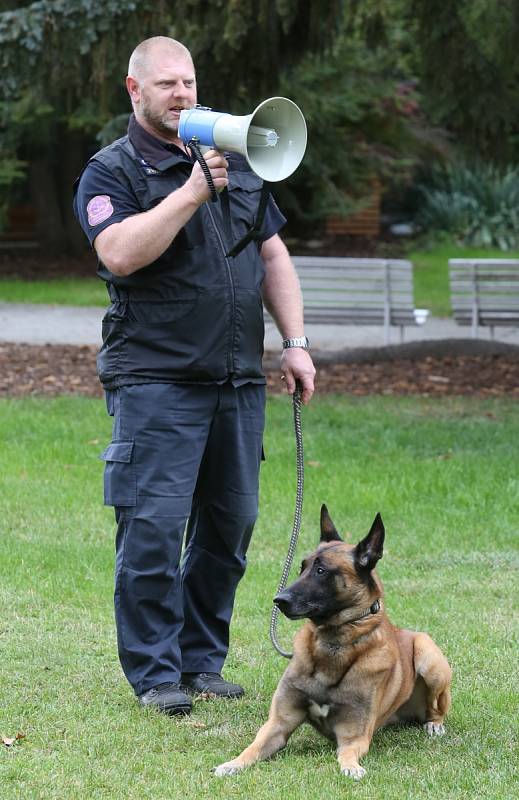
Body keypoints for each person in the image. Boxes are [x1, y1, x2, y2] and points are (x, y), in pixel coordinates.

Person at [73, 36, 315, 716]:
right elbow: (119, 253)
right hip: (156, 381)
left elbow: (272, 255)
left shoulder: (236, 162)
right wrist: (188, 192)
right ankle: (155, 675)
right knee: (151, 532)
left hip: (236, 382)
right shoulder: (111, 171)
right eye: (167, 84)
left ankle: (200, 662)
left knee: (229, 528)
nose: (181, 95)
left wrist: (294, 343)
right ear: (135, 90)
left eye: (189, 83)